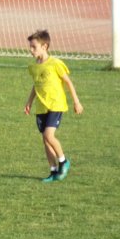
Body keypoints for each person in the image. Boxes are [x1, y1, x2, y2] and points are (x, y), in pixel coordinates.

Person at [24, 30, 83, 182]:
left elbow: (68, 82)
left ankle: (64, 161)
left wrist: (76, 101)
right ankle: (53, 171)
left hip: (56, 105)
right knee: (45, 140)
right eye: (30, 47)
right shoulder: (33, 66)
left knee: (48, 135)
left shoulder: (55, 63)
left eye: (34, 47)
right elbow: (36, 85)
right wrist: (29, 102)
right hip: (41, 106)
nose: (31, 50)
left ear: (45, 46)